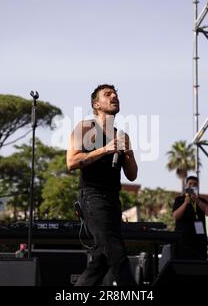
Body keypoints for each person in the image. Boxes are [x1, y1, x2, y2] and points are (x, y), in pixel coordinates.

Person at [66, 84, 138, 286]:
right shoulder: (85, 128)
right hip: (93, 196)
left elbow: (132, 176)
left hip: (113, 199)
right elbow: (71, 162)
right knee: (116, 251)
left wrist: (129, 156)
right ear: (96, 104)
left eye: (115, 94)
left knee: (102, 259)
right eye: (108, 94)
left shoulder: (122, 135)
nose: (114, 96)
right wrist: (104, 150)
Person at [172, 176, 208, 260]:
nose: (192, 186)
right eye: (190, 184)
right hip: (183, 240)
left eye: (195, 184)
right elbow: (175, 216)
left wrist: (197, 201)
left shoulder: (202, 200)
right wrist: (185, 203)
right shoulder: (179, 200)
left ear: (198, 186)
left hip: (199, 240)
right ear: (186, 186)